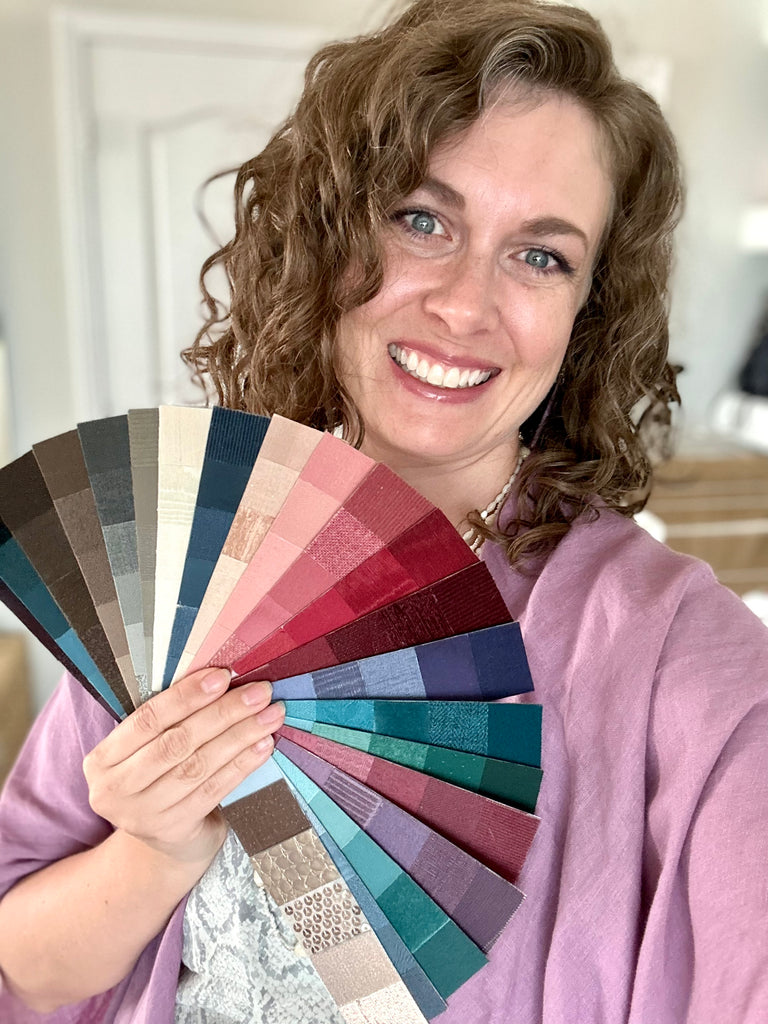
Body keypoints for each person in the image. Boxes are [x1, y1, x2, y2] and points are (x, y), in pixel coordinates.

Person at [1, 0, 766, 1021]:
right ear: (329, 237)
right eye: (422, 220)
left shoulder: (679, 653)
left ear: (588, 312)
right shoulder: (188, 553)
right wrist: (151, 851)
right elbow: (25, 964)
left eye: (541, 255)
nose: (463, 305)